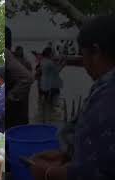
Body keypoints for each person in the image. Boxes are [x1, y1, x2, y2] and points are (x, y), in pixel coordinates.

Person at [30, 15, 115, 180]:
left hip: (47, 88)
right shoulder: (105, 87)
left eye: (83, 55)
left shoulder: (106, 100)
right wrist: (68, 154)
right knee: (52, 108)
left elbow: (94, 171)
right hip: (53, 88)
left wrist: (49, 174)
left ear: (96, 51)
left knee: (47, 109)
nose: (84, 64)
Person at [7, 49, 34, 128]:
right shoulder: (24, 62)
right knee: (22, 114)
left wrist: (11, 94)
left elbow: (28, 77)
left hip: (16, 92)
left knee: (19, 115)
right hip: (20, 91)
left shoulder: (16, 61)